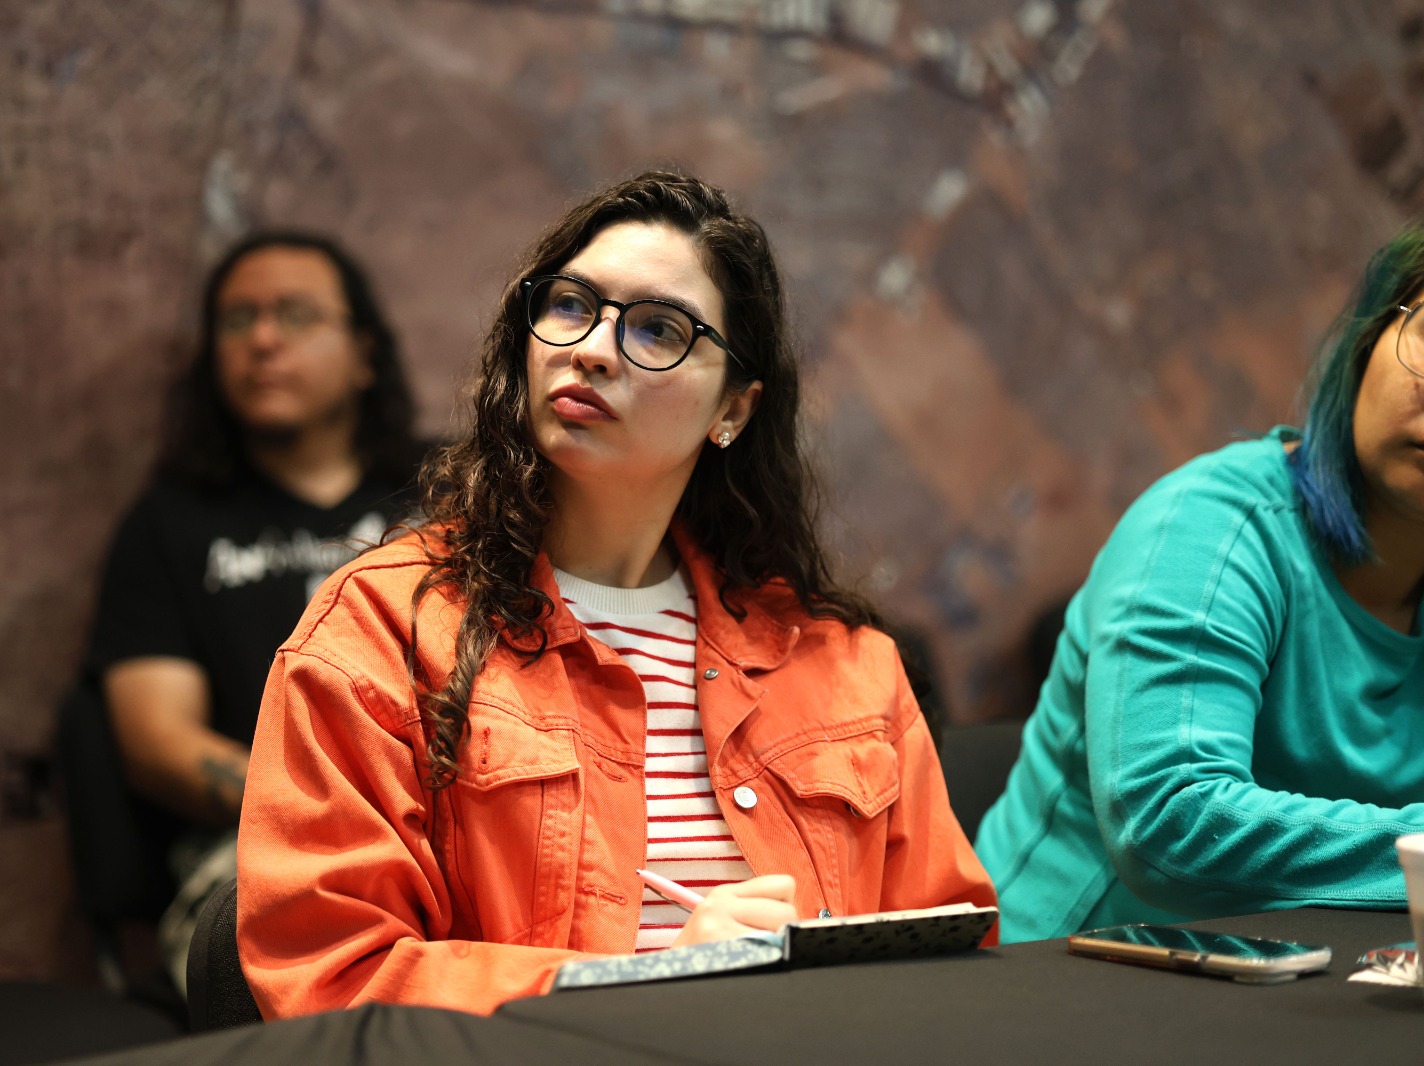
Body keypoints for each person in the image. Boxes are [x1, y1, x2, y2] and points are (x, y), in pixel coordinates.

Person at [235, 172, 996, 1018]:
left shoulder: (846, 664)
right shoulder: (382, 629)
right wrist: (651, 983)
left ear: (733, 410)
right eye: (571, 306)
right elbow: (332, 979)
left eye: (658, 328)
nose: (593, 348)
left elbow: (952, 962)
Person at [975, 223, 1424, 943]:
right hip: (1056, 975)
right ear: (1367, 340)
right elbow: (1167, 821)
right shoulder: (1208, 528)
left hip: (1302, 982)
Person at [82, 231, 424, 989]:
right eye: (238, 320)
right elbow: (156, 740)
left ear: (364, 355)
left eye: (296, 315)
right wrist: (334, 811)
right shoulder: (168, 525)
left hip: (452, 825)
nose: (263, 339)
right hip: (253, 847)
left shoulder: (448, 494)